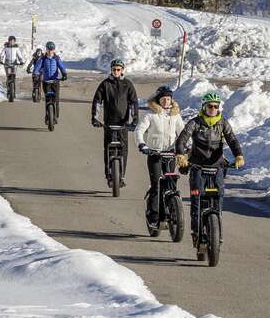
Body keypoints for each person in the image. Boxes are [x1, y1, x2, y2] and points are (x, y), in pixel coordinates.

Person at [175, 91, 244, 247]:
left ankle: (217, 232)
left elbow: (232, 140)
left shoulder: (223, 123)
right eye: (209, 106)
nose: (212, 109)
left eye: (215, 106)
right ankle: (195, 232)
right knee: (197, 199)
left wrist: (238, 155)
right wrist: (181, 155)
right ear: (204, 107)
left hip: (217, 166)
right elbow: (182, 138)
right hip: (197, 166)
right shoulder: (195, 122)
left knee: (219, 197)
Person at [135, 85, 185, 225]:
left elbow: (183, 133)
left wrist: (187, 145)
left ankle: (173, 207)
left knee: (171, 183)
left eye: (168, 99)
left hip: (170, 154)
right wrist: (142, 144)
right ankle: (153, 215)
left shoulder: (175, 115)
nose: (166, 102)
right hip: (155, 154)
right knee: (156, 184)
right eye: (163, 99)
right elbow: (139, 130)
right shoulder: (150, 114)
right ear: (158, 100)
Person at [91, 59, 139, 187]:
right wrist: (95, 118)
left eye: (118, 69)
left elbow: (133, 102)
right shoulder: (105, 84)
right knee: (108, 149)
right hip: (109, 123)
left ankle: (121, 176)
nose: (116, 72)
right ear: (111, 70)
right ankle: (108, 174)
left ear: (122, 70)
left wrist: (134, 119)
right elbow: (97, 101)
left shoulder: (128, 84)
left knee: (124, 149)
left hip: (123, 123)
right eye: (114, 69)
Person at [33, 41, 67, 121]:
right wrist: (36, 75)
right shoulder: (43, 59)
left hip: (55, 82)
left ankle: (56, 115)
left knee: (56, 99)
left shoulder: (56, 58)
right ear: (46, 49)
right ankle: (47, 115)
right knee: (48, 100)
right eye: (49, 49)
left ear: (54, 50)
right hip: (46, 82)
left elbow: (62, 67)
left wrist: (64, 74)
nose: (50, 51)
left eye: (52, 49)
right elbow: (37, 68)